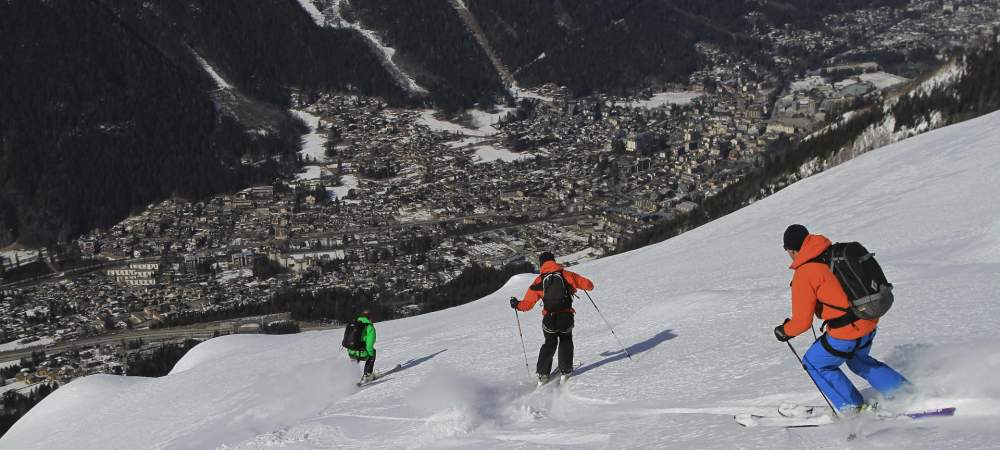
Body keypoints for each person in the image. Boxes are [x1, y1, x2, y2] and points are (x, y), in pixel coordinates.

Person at [774, 224, 908, 412]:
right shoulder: (831, 254)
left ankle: (852, 409)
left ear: (791, 249)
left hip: (846, 333)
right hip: (868, 320)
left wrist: (784, 331)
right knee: (858, 360)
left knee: (814, 363)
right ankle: (907, 395)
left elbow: (802, 323)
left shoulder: (805, 273)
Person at [510, 251, 594, 382]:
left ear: (542, 264)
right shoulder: (566, 274)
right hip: (566, 317)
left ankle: (543, 374)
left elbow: (527, 304)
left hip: (549, 319)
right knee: (566, 339)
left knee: (549, 343)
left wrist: (516, 304)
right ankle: (566, 370)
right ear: (553, 261)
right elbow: (589, 285)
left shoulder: (539, 280)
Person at [347, 310, 377, 383]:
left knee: (355, 359)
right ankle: (367, 375)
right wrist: (371, 355)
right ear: (370, 317)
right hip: (361, 352)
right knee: (372, 352)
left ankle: (349, 376)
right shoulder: (369, 327)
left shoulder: (354, 324)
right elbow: (369, 345)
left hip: (351, 351)